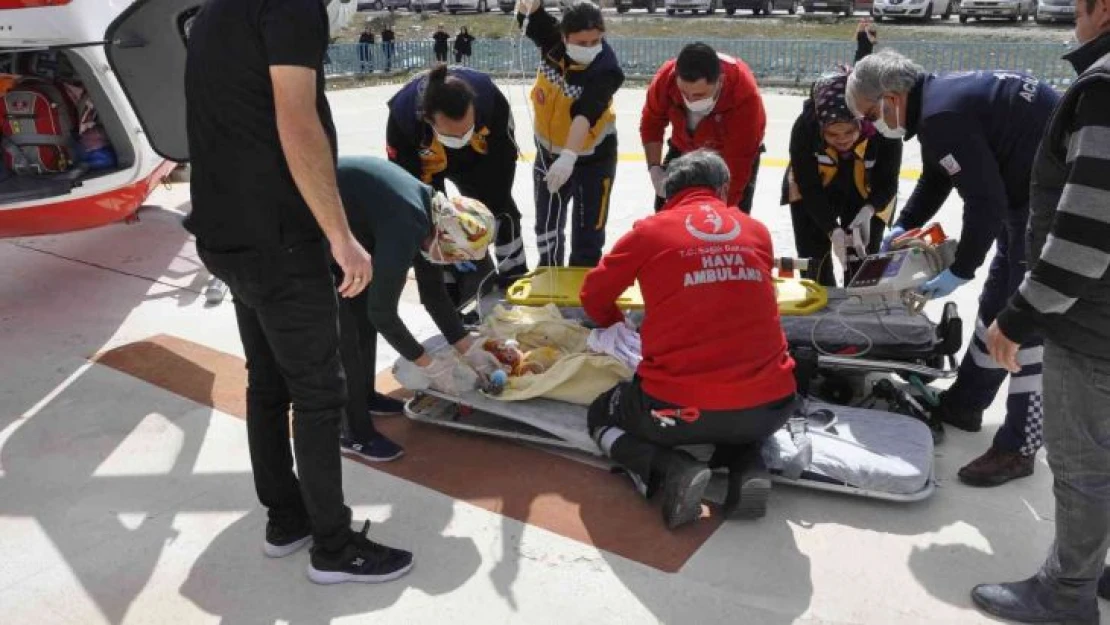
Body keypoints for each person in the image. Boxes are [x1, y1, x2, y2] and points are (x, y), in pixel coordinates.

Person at [184, 0, 412, 584]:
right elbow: (297, 119)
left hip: (224, 233)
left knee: (267, 383)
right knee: (317, 394)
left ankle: (285, 520)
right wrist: (341, 236)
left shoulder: (213, 14)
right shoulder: (290, 7)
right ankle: (334, 548)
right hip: (280, 239)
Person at [847, 50, 1060, 488]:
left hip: (1051, 198)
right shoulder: (938, 101)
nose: (875, 125)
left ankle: (1020, 445)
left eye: (872, 114)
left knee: (1026, 318)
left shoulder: (943, 115)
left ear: (891, 97)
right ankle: (966, 403)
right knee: (998, 299)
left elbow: (985, 202)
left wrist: (961, 268)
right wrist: (905, 224)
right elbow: (937, 176)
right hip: (1028, 195)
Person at [971, 2, 1110, 622]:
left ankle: (1067, 593)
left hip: (1093, 324)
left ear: (1100, 9)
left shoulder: (1103, 88)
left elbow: (1085, 234)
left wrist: (1018, 316)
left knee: (1083, 468)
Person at [580, 150, 798, 530]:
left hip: (678, 410)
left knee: (601, 412)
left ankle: (671, 470)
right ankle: (749, 465)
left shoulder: (648, 232)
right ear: (723, 189)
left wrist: (617, 325)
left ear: (668, 194)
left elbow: (593, 296)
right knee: (736, 410)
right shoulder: (756, 231)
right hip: (773, 408)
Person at [335, 156, 500, 459]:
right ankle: (352, 432)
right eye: (452, 255)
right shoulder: (408, 223)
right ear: (446, 236)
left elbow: (434, 295)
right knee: (349, 323)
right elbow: (382, 313)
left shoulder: (433, 213)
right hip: (312, 229)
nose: (451, 262)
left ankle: (365, 397)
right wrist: (430, 366)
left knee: (361, 311)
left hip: (354, 224)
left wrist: (469, 348)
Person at [386, 64, 529, 294]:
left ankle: (514, 272)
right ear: (429, 120)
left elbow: (504, 160)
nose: (460, 138)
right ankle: (452, 284)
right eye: (452, 134)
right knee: (435, 222)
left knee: (502, 209)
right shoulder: (403, 120)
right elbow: (405, 184)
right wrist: (437, 225)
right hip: (426, 164)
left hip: (479, 157)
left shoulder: (491, 101)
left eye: (466, 130)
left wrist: (490, 211)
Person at [516, 0, 624, 267]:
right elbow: (527, 13)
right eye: (581, 42)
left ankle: (580, 286)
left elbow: (585, 115)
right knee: (547, 225)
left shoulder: (606, 69)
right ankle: (548, 273)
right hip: (547, 150)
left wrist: (567, 158)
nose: (589, 48)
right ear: (564, 37)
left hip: (593, 156)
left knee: (589, 229)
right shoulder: (551, 38)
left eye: (595, 41)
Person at [781, 68, 901, 286]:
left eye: (849, 132)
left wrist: (869, 210)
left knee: (863, 258)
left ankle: (858, 304)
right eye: (833, 135)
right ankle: (820, 299)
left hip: (868, 187)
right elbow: (807, 185)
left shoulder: (885, 128)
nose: (843, 140)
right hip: (816, 187)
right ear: (820, 129)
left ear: (861, 121)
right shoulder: (804, 128)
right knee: (813, 258)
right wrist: (831, 228)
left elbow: (888, 182)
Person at [640, 42, 766, 214]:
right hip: (684, 147)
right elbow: (651, 122)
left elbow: (738, 164)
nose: (690, 100)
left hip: (728, 156)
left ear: (720, 81)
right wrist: (654, 169)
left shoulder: (744, 94)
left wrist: (722, 215)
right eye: (684, 93)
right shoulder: (666, 79)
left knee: (730, 219)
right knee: (667, 212)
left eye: (699, 95)